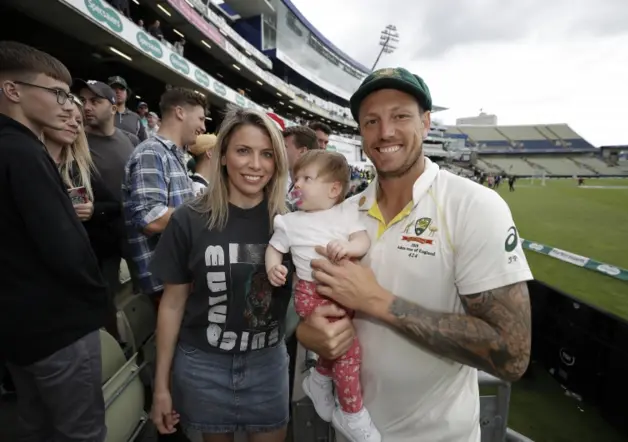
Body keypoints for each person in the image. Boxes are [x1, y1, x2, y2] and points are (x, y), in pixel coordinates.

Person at [296, 67, 533, 442]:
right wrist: (308, 333)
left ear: (425, 123)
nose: (385, 131)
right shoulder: (341, 213)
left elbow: (512, 353)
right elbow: (317, 308)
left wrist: (378, 301)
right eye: (371, 120)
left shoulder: (475, 206)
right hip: (350, 432)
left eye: (400, 116)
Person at [149, 108, 292, 442]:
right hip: (203, 366)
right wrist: (161, 386)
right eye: (243, 151)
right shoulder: (189, 219)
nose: (256, 165)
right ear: (223, 154)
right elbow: (172, 305)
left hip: (267, 365)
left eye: (267, 154)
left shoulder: (291, 223)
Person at [0, 41, 107, 442]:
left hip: (20, 330)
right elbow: (64, 246)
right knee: (80, 432)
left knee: (36, 427)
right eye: (58, 94)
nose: (70, 106)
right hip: (57, 330)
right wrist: (97, 298)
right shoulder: (23, 152)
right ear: (13, 91)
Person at [266, 150, 379, 442]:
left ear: (333, 189)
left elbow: (361, 239)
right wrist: (273, 267)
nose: (297, 184)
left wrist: (350, 247)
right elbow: (275, 248)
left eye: (307, 178)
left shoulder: (345, 213)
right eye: (296, 178)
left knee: (338, 347)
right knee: (348, 351)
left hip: (344, 293)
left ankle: (318, 379)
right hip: (312, 295)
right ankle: (352, 414)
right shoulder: (290, 222)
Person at [123, 87, 207, 303]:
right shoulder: (151, 152)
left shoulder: (172, 154)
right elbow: (151, 218)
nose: (203, 127)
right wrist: (206, 212)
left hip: (178, 277)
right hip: (163, 282)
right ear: (180, 112)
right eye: (200, 118)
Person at [73, 79, 137, 300]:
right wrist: (87, 208)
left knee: (144, 289)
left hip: (132, 230)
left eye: (95, 101)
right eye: (83, 101)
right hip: (100, 234)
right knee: (104, 296)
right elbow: (75, 186)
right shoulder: (75, 142)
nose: (87, 106)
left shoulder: (130, 140)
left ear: (112, 107)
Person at [108, 75, 147, 142]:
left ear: (127, 94)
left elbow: (144, 142)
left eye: (122, 89)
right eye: (114, 88)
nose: (118, 91)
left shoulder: (135, 118)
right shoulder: (102, 114)